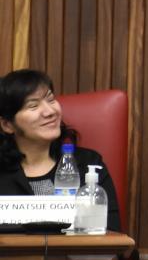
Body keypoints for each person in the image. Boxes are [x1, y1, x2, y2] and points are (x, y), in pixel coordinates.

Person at [0, 69, 121, 231]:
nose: (50, 112)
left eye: (51, 100)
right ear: (7, 125)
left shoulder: (88, 164)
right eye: (33, 105)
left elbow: (112, 234)